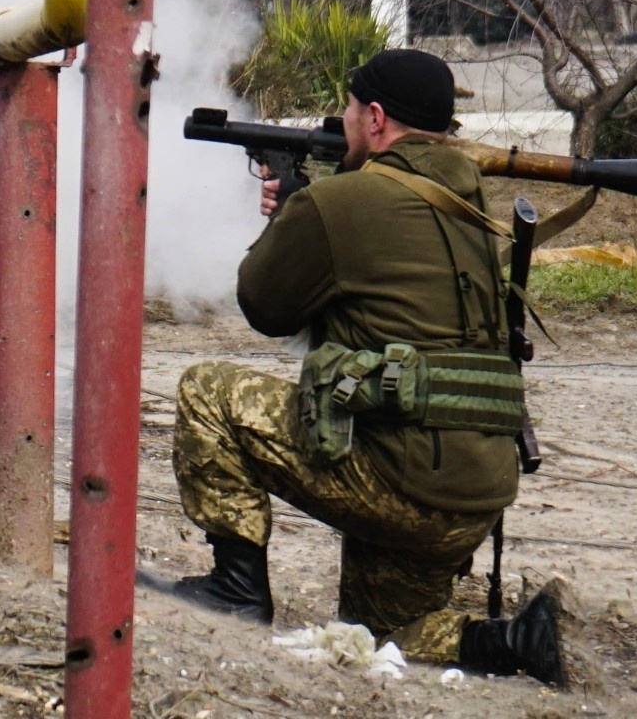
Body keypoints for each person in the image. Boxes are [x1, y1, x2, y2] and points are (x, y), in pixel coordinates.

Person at [156, 48, 577, 685]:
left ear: (375, 118)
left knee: (209, 392)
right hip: (472, 489)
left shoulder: (346, 203)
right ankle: (515, 640)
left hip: (401, 479)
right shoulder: (467, 203)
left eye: (351, 109)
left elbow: (263, 305)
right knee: (379, 636)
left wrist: (296, 210)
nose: (345, 120)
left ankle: (235, 589)